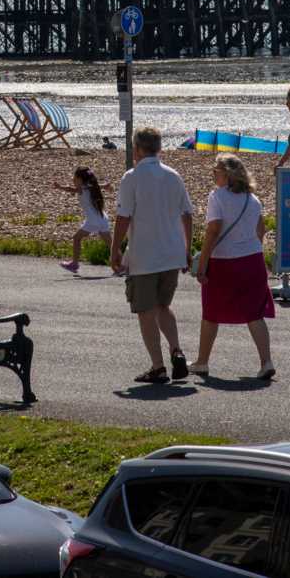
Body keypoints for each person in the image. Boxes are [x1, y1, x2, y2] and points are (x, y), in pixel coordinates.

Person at [109, 128, 195, 385]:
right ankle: (176, 349)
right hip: (172, 252)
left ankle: (158, 366)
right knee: (163, 307)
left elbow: (123, 217)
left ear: (137, 149)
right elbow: (187, 215)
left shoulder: (132, 177)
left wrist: (114, 248)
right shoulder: (173, 176)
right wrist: (186, 248)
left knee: (145, 311)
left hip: (145, 255)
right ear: (158, 148)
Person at [193, 154, 276, 380]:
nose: (213, 175)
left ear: (228, 175)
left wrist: (203, 264)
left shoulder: (217, 197)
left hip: (224, 261)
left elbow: (213, 231)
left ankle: (202, 362)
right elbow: (260, 231)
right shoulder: (253, 199)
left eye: (216, 171)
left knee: (211, 312)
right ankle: (266, 361)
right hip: (252, 260)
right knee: (254, 313)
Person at [55, 166, 110, 274]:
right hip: (102, 218)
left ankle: (74, 264)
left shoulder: (82, 188)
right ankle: (123, 264)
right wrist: (106, 186)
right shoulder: (92, 186)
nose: (73, 180)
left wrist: (60, 187)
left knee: (76, 238)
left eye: (74, 178)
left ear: (80, 179)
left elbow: (70, 189)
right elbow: (100, 186)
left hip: (93, 221)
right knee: (111, 244)